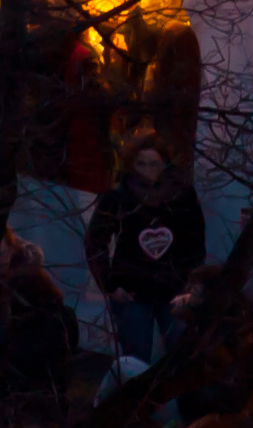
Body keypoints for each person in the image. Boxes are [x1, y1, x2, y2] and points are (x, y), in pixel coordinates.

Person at [83, 132, 201, 370]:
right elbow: (95, 240)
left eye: (154, 164)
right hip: (132, 292)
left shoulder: (181, 196)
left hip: (174, 289)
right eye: (141, 164)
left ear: (164, 164)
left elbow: (195, 240)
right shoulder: (119, 196)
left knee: (182, 359)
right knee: (135, 363)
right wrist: (110, 285)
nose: (147, 170)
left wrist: (190, 284)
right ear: (132, 164)